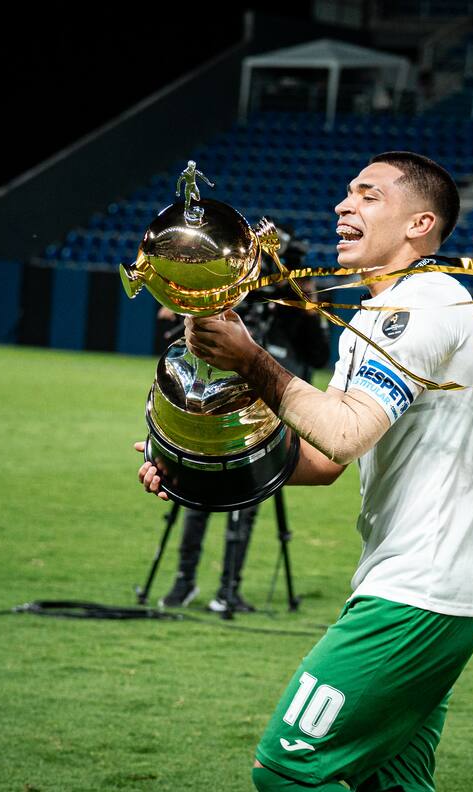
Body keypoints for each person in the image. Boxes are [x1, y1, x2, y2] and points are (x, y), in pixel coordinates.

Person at [137, 151, 473, 790]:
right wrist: (197, 467)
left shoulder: (426, 304)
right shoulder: (376, 314)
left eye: (369, 194)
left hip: (415, 597)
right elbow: (324, 459)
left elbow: (345, 432)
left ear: (420, 223)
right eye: (347, 192)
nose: (342, 205)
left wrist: (250, 361)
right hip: (421, 592)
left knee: (288, 767)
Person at [156, 231, 331, 613]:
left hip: (266, 420)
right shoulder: (248, 297)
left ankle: (227, 590)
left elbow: (318, 355)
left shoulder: (298, 308)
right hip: (219, 411)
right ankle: (185, 582)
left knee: (244, 503)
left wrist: (307, 301)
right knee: (197, 496)